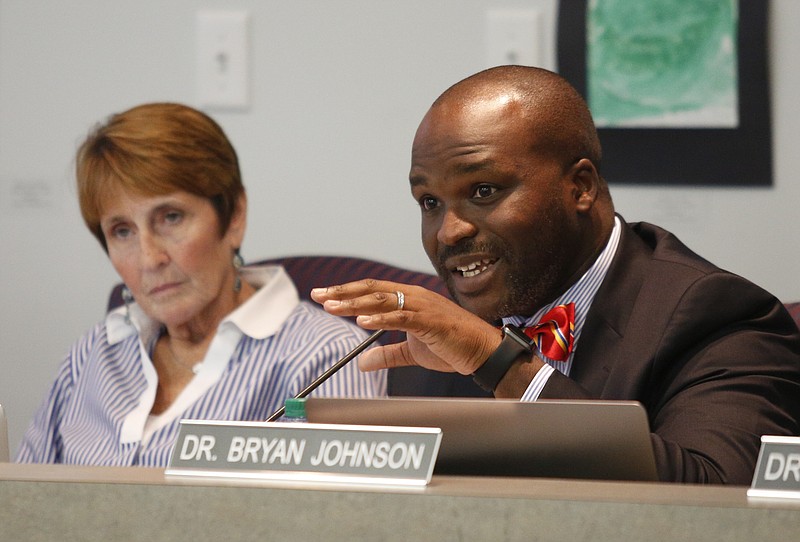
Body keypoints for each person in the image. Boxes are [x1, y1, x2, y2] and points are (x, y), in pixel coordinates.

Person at [311, 66, 800, 484]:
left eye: (483, 190)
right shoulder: (440, 330)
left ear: (580, 186)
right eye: (430, 203)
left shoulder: (719, 318)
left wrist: (497, 361)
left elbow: (718, 502)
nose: (448, 232)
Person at [16, 103, 386, 466]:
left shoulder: (327, 357)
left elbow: (338, 518)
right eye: (122, 231)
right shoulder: (92, 356)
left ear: (234, 216)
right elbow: (21, 507)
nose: (149, 258)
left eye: (171, 217)